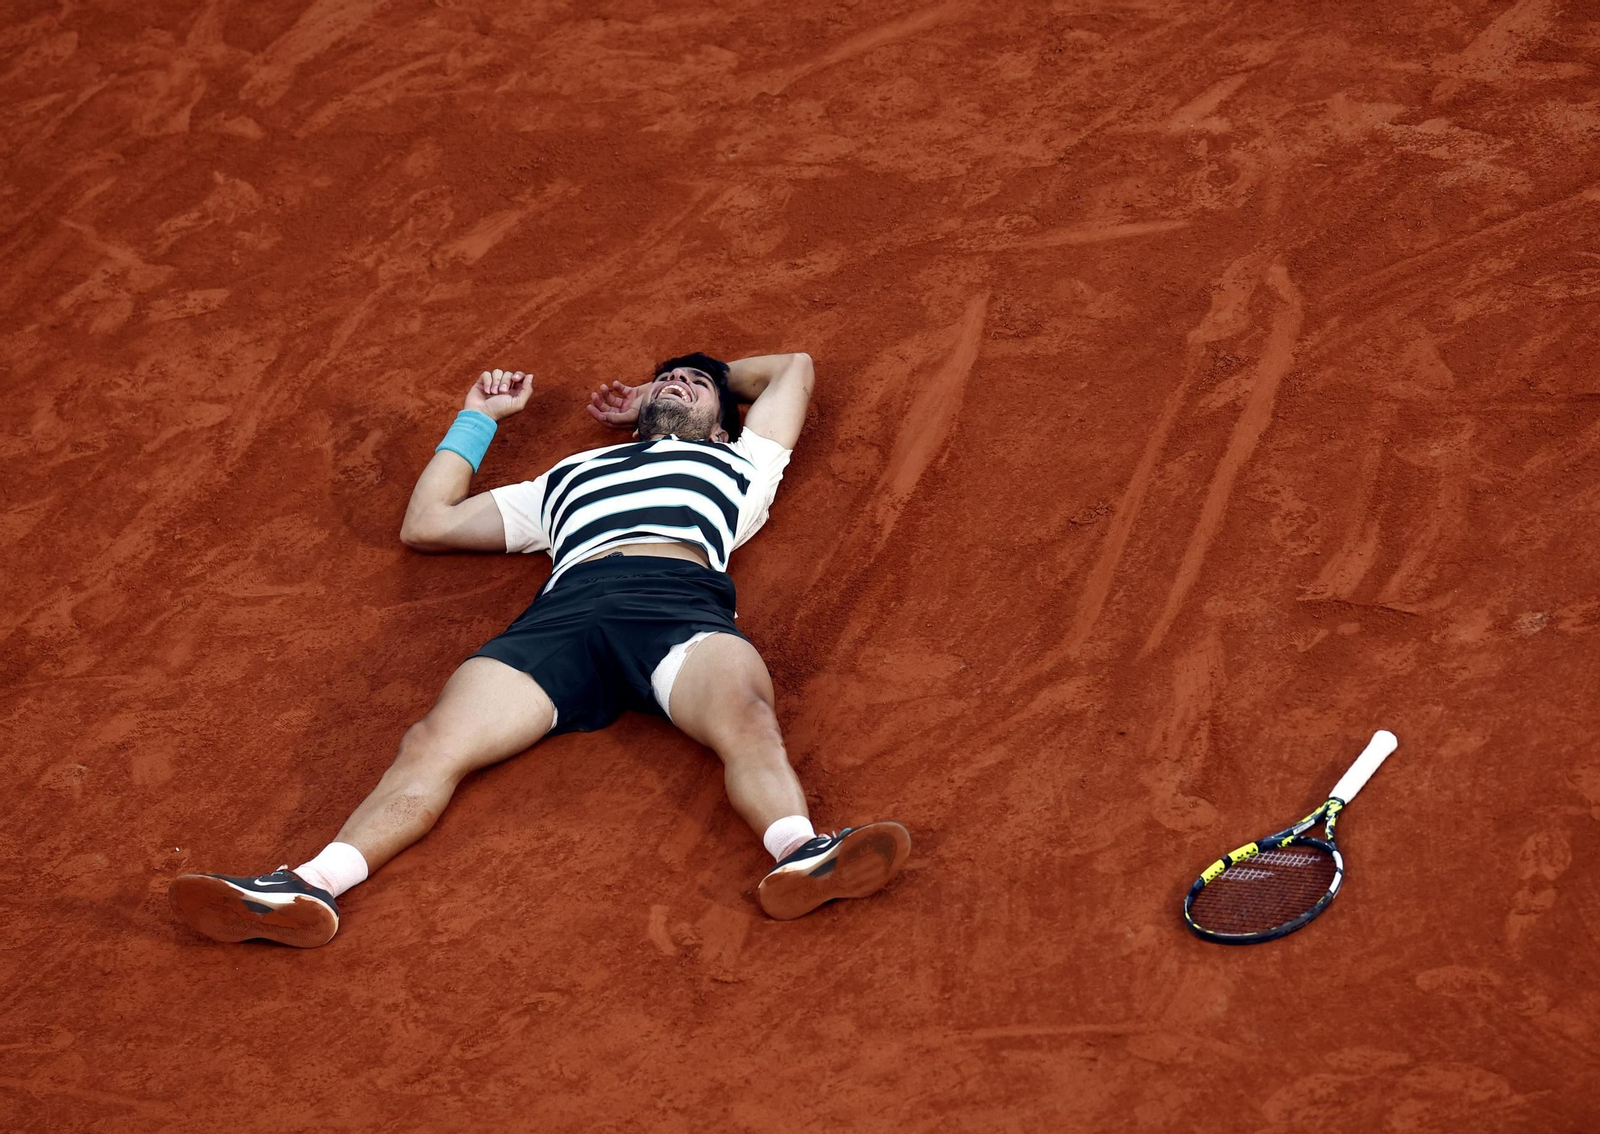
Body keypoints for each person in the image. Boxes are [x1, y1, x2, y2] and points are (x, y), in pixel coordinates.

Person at [169, 352, 911, 947]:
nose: (678, 382)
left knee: (747, 714)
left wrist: (713, 375)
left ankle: (799, 852)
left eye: (698, 385)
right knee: (432, 741)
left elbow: (794, 369)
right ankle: (310, 885)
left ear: (726, 425)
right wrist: (476, 419)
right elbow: (428, 524)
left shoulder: (742, 463)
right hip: (561, 619)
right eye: (668, 376)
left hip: (676, 604)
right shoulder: (566, 478)